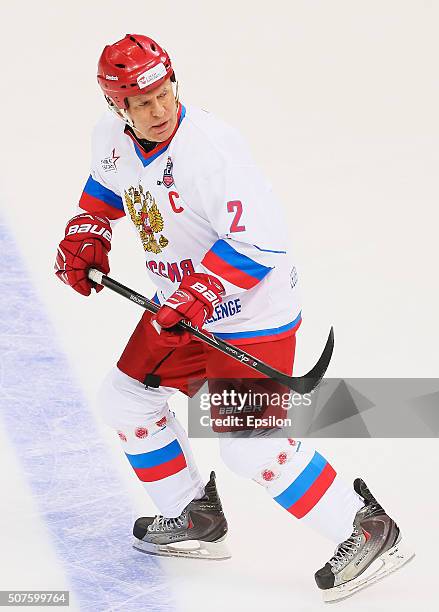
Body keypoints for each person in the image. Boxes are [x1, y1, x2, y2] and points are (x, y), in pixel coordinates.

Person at [54, 34, 413, 601]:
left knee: (250, 444)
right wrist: (87, 233)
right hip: (179, 309)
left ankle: (366, 529)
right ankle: (194, 516)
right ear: (115, 106)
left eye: (164, 93)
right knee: (124, 399)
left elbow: (259, 243)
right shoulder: (113, 138)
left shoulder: (213, 151)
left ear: (174, 80)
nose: (158, 109)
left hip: (251, 313)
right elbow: (107, 185)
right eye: (140, 103)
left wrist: (198, 292)